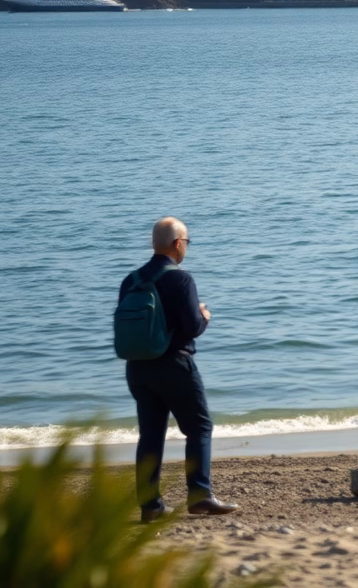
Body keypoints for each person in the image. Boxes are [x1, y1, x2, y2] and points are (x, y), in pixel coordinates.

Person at [119, 217, 238, 522]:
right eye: (186, 241)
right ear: (177, 244)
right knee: (199, 427)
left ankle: (150, 506)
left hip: (138, 367)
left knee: (150, 435)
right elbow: (192, 327)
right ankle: (200, 495)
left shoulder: (131, 280)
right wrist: (205, 315)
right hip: (175, 365)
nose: (186, 247)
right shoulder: (181, 279)